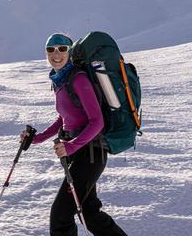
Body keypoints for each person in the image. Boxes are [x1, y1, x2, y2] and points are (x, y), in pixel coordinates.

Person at [21, 33, 128, 236]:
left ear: (70, 52)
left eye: (62, 49)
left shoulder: (78, 79)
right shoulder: (60, 81)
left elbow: (97, 121)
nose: (56, 54)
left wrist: (71, 146)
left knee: (60, 215)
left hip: (90, 153)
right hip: (78, 153)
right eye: (50, 49)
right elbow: (65, 118)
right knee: (89, 214)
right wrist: (37, 138)